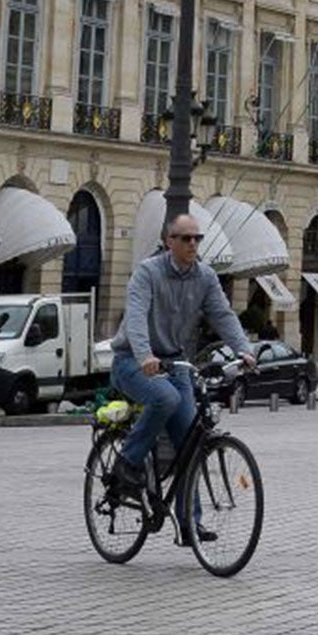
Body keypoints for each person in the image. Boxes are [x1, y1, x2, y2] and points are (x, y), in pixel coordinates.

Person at [108, 213, 255, 505]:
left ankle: (191, 525)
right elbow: (136, 318)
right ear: (168, 241)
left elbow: (222, 315)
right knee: (165, 399)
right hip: (132, 361)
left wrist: (244, 349)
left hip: (175, 363)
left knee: (191, 444)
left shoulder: (206, 276)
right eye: (185, 238)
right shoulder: (147, 272)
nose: (192, 244)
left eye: (196, 238)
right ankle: (127, 464)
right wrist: (144, 355)